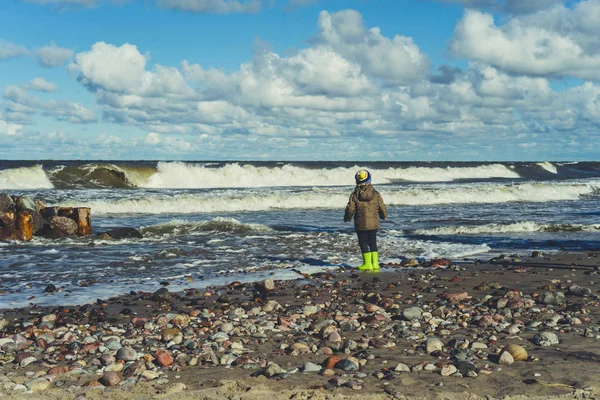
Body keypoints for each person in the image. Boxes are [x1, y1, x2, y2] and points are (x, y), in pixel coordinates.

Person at [344, 169, 387, 271]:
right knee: (373, 242)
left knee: (363, 242)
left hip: (360, 223)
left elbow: (350, 208)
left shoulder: (355, 194)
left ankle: (367, 264)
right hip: (373, 223)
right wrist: (383, 215)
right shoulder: (376, 194)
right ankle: (375, 264)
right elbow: (382, 206)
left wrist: (347, 218)